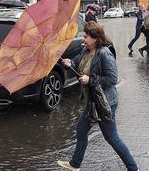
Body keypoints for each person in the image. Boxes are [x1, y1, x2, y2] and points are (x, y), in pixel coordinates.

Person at [57, 21, 139, 171]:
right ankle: (75, 164)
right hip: (92, 101)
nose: (83, 39)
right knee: (81, 129)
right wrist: (69, 63)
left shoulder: (104, 53)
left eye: (86, 36)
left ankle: (133, 168)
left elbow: (112, 79)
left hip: (104, 102)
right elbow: (77, 62)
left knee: (112, 138)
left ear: (95, 38)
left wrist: (91, 80)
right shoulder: (87, 50)